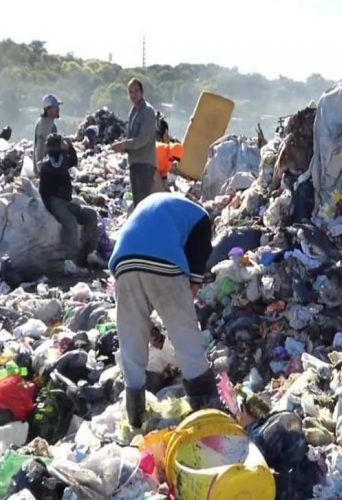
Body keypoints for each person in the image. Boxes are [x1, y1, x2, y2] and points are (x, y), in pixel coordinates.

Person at [108, 192, 219, 428]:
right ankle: (207, 408)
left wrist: (151, 323)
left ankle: (136, 415)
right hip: (163, 262)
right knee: (185, 336)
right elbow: (194, 277)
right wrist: (180, 310)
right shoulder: (201, 217)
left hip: (123, 263)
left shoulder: (160, 209)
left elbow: (138, 295)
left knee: (131, 337)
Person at [39, 133, 99, 272]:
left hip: (66, 201)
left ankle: (87, 253)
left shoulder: (62, 160)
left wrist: (70, 148)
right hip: (53, 201)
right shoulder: (47, 166)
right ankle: (69, 261)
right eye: (60, 144)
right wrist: (65, 150)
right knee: (70, 221)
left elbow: (74, 161)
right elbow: (59, 171)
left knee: (90, 215)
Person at [112, 78, 159, 209]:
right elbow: (131, 136)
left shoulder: (148, 111)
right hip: (134, 163)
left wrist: (124, 145)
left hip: (145, 163)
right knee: (137, 202)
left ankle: (146, 229)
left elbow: (143, 139)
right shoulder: (133, 111)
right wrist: (121, 146)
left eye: (136, 91)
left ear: (142, 92)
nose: (133, 95)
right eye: (130, 92)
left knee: (143, 205)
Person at [33, 94, 62, 164]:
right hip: (46, 168)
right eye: (56, 107)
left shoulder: (49, 123)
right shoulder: (44, 125)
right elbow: (40, 149)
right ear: (48, 109)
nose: (58, 109)